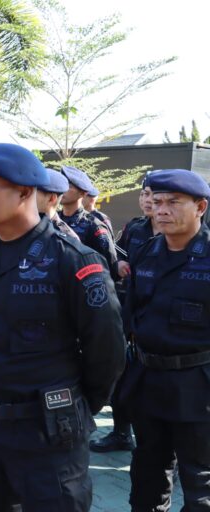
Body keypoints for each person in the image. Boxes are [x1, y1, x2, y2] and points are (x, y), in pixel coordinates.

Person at [0, 142, 125, 510]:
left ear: (24, 191)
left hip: (49, 434)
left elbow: (108, 351)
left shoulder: (73, 261)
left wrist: (76, 406)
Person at [122, 169, 210, 511]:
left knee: (200, 482)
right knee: (147, 474)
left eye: (174, 202)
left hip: (198, 386)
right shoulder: (146, 252)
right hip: (149, 381)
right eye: (157, 201)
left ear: (200, 206)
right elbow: (130, 315)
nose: (161, 209)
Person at [91, 179, 158, 454]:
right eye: (145, 194)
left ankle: (166, 451)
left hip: (161, 321)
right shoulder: (135, 227)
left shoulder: (179, 234)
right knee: (122, 376)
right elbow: (118, 254)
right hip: (130, 311)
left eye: (155, 195)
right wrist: (119, 263)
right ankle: (121, 433)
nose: (149, 200)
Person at [59, 166, 118, 274]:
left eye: (68, 185)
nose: (63, 189)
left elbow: (110, 267)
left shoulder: (94, 225)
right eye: (61, 184)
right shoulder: (52, 221)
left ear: (83, 193)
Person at [37, 169, 80, 240]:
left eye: (34, 193)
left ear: (51, 198)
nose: (27, 197)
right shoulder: (21, 225)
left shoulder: (67, 238)